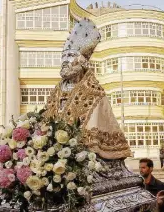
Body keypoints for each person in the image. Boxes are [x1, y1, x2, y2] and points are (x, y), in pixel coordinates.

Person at [43, 18, 131, 160]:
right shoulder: (56, 92)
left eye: (71, 56)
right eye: (64, 56)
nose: (66, 61)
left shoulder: (95, 93)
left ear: (83, 62)